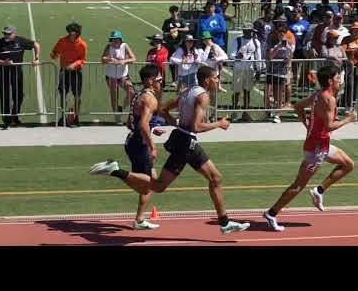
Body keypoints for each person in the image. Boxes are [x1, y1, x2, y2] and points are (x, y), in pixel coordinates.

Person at [90, 65, 251, 235]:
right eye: (216, 77)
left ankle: (116, 171)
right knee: (215, 178)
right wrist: (219, 124)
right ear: (207, 80)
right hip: (187, 142)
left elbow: (164, 109)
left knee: (159, 186)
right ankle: (224, 223)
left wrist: (176, 124)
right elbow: (196, 126)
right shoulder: (203, 97)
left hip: (181, 139)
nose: (218, 80)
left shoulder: (189, 91)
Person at [263, 65, 357, 231]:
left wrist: (308, 125)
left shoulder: (317, 95)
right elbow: (329, 126)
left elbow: (298, 106)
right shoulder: (329, 99)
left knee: (348, 164)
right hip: (316, 150)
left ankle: (318, 191)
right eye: (337, 78)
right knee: (298, 186)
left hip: (322, 144)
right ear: (330, 81)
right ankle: (271, 213)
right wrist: (348, 120)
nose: (340, 80)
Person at [92, 64, 166, 230]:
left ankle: (139, 220)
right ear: (151, 80)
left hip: (132, 141)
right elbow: (142, 124)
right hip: (140, 145)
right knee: (150, 185)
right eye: (160, 80)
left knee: (148, 183)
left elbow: (129, 123)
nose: (161, 83)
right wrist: (152, 145)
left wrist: (152, 129)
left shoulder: (138, 95)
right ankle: (115, 170)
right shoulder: (150, 99)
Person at [0, 26, 40, 128]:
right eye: (5, 33)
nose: (6, 35)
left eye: (8, 34)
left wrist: (36, 58)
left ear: (14, 33)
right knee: (5, 97)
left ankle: (14, 115)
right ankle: (6, 120)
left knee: (19, 96)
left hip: (17, 74)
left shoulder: (20, 41)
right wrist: (3, 62)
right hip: (3, 74)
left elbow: (36, 45)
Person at [50, 22, 87, 126]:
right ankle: (63, 116)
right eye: (70, 32)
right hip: (64, 71)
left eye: (74, 33)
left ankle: (76, 116)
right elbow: (54, 52)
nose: (72, 35)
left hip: (76, 72)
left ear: (77, 33)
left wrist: (74, 64)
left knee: (77, 96)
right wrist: (54, 55)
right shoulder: (62, 41)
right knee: (63, 94)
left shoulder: (82, 44)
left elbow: (83, 60)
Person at [102, 30, 136, 125]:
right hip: (111, 76)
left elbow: (133, 59)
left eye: (116, 39)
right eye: (113, 39)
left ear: (120, 40)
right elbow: (102, 59)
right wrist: (110, 59)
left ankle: (121, 108)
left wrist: (123, 61)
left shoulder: (125, 46)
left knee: (132, 92)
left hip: (123, 76)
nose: (115, 41)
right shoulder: (108, 47)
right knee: (114, 96)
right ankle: (117, 117)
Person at [231, 26, 262, 122]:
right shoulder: (238, 40)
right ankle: (234, 112)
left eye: (249, 31)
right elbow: (231, 54)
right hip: (238, 68)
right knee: (237, 91)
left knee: (247, 91)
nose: (248, 32)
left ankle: (246, 112)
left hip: (250, 69)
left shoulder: (256, 42)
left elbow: (258, 57)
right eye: (246, 31)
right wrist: (237, 56)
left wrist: (259, 70)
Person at [341, 22, 358, 111]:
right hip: (349, 65)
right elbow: (343, 50)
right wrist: (354, 50)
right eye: (355, 30)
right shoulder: (346, 39)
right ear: (351, 30)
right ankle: (347, 105)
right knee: (349, 84)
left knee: (357, 85)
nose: (356, 31)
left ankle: (355, 104)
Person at [162, 5, 189, 87]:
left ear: (178, 12)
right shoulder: (167, 21)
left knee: (181, 62)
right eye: (172, 12)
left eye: (175, 11)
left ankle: (181, 79)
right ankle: (174, 80)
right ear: (170, 12)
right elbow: (164, 33)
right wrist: (170, 33)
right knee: (172, 62)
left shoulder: (181, 21)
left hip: (180, 44)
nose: (174, 13)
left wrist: (177, 29)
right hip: (170, 44)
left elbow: (187, 28)